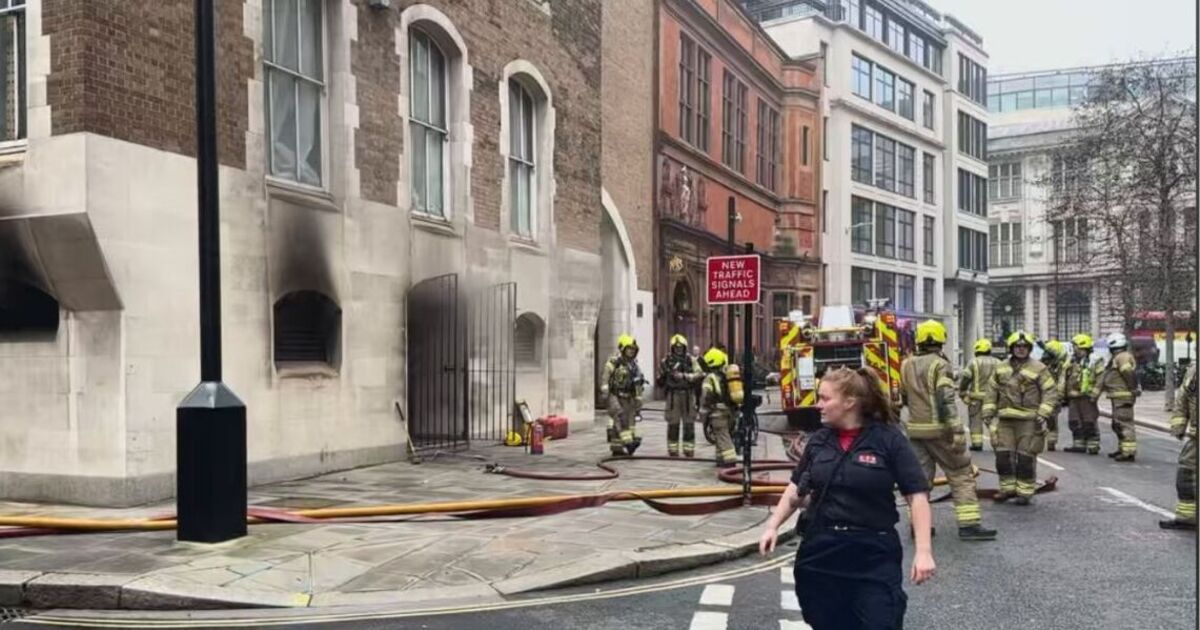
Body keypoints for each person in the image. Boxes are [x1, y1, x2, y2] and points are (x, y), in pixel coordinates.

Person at [759, 367, 935, 630]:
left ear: (849, 402)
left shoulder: (889, 440)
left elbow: (917, 496)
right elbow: (796, 489)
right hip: (823, 550)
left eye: (825, 398)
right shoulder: (818, 441)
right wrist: (772, 525)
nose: (818, 405)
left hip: (873, 551)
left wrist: (924, 552)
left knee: (881, 621)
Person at [901, 321, 996, 540]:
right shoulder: (940, 365)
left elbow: (904, 398)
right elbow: (946, 400)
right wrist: (957, 431)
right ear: (941, 340)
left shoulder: (906, 364)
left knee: (919, 481)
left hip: (915, 431)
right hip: (940, 432)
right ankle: (969, 526)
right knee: (961, 474)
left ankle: (919, 526)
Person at [981, 331, 1060, 505]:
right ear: (1012, 348)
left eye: (1025, 347)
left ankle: (1024, 493)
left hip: (1029, 421)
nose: (1021, 349)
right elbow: (991, 392)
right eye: (1018, 346)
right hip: (1005, 420)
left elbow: (1050, 392)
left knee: (1025, 458)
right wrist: (988, 413)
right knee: (1003, 457)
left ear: (1030, 348)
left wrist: (1043, 413)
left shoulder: (1039, 368)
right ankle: (1007, 489)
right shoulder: (1000, 367)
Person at [1161, 364, 1198, 530]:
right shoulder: (1193, 369)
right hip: (1196, 436)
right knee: (1186, 474)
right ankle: (1187, 518)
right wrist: (1179, 426)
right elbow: (1183, 398)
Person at [1093, 332, 1139, 462]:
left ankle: (1128, 453)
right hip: (1118, 397)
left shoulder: (1122, 357)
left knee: (1124, 424)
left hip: (1122, 397)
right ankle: (1123, 448)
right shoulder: (1118, 357)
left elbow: (1128, 372)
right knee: (1117, 424)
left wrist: (1132, 389)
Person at [658, 334, 703, 457]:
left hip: (688, 395)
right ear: (672, 348)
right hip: (673, 396)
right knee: (673, 422)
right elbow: (660, 380)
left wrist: (685, 376)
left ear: (685, 348)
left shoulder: (691, 360)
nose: (678, 350)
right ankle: (673, 449)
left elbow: (699, 374)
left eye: (681, 348)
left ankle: (689, 449)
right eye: (676, 348)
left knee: (689, 423)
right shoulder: (666, 361)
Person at [600, 334, 645, 456]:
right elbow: (605, 377)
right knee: (621, 418)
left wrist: (638, 398)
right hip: (614, 395)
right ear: (622, 348)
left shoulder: (634, 365)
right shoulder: (614, 362)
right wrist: (605, 392)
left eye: (633, 349)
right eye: (629, 348)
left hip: (628, 397)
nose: (631, 351)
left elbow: (638, 382)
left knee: (628, 421)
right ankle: (629, 443)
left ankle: (616, 447)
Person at [1063, 334, 1102, 454]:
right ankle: (1078, 445)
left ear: (1084, 348)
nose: (1075, 349)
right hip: (1074, 397)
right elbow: (1065, 377)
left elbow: (1100, 378)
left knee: (1089, 421)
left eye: (1076, 347)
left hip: (1087, 397)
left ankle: (1093, 445)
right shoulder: (1072, 361)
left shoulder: (1095, 361)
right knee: (1074, 421)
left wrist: (1095, 393)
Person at [959, 338, 1000, 451]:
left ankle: (977, 444)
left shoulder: (973, 362)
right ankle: (996, 438)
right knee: (993, 419)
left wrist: (962, 391)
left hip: (976, 398)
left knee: (975, 420)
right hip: (993, 397)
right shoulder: (998, 362)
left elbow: (966, 378)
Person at [699, 347, 738, 466]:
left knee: (722, 436)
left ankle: (730, 461)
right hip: (729, 411)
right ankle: (720, 460)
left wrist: (703, 411)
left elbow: (706, 396)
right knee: (720, 436)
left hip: (717, 413)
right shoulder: (726, 375)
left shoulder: (710, 378)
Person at [1040, 340, 1070, 451]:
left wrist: (1060, 396)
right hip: (1040, 394)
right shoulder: (1043, 363)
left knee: (1051, 420)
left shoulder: (1061, 366)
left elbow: (1062, 381)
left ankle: (1051, 441)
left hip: (1053, 395)